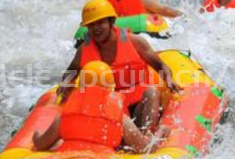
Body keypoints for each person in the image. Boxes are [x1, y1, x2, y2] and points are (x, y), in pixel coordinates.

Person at [57, 0, 181, 130]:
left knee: (152, 92)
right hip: (108, 109)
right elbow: (71, 72)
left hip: (138, 105)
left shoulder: (135, 41)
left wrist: (168, 78)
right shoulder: (84, 50)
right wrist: (66, 83)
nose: (96, 28)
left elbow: (161, 66)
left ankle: (146, 138)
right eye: (91, 25)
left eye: (100, 23)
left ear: (111, 22)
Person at [33, 61, 170, 153]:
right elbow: (145, 148)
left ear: (80, 88)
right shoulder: (120, 120)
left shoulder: (63, 118)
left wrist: (35, 134)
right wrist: (161, 132)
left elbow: (40, 144)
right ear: (110, 91)